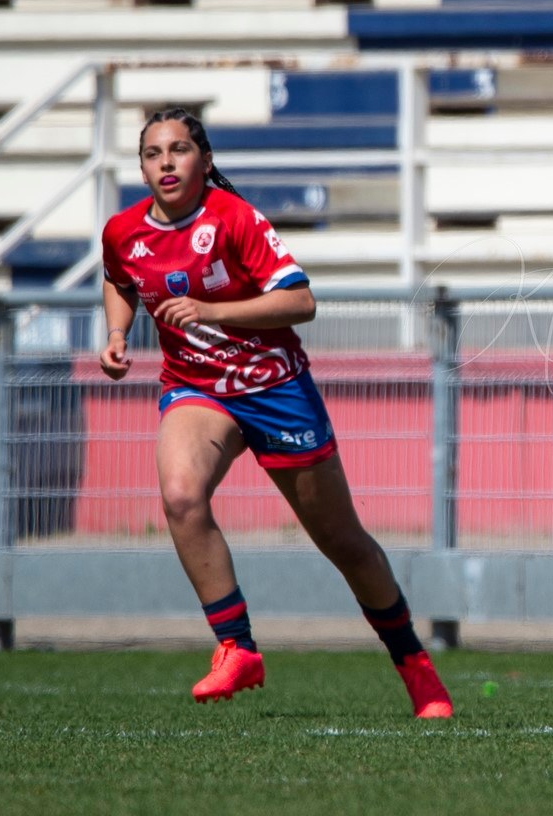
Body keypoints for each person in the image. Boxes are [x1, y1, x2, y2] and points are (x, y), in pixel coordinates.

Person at [99, 108, 453, 719]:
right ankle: (237, 647)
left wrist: (210, 311)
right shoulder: (123, 231)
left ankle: (416, 667)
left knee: (343, 542)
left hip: (275, 389)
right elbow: (119, 279)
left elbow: (301, 301)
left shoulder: (235, 219)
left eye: (179, 150)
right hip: (197, 388)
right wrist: (116, 333)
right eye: (153, 154)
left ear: (205, 161)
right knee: (181, 496)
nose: (166, 163)